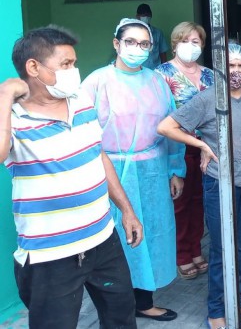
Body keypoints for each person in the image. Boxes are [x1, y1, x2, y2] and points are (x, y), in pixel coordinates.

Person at [1, 26, 144, 329]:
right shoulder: (13, 118)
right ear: (33, 68)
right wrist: (4, 94)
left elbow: (99, 156)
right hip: (51, 256)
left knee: (121, 315)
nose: (74, 71)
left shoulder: (81, 103)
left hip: (103, 239)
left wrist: (126, 210)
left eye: (74, 63)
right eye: (66, 64)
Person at [158, 43, 241, 329]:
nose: (237, 71)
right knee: (222, 248)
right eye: (231, 66)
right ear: (220, 70)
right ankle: (216, 310)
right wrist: (201, 143)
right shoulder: (207, 99)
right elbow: (166, 127)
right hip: (220, 184)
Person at [81, 18, 185, 321]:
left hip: (152, 170)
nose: (137, 49)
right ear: (117, 44)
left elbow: (172, 125)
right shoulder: (96, 82)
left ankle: (143, 301)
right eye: (130, 42)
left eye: (144, 44)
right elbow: (82, 133)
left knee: (151, 234)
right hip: (108, 171)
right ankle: (115, 307)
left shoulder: (156, 82)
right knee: (112, 240)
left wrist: (175, 168)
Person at [155, 22, 214, 280]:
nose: (191, 46)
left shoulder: (211, 75)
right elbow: (159, 118)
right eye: (185, 40)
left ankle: (195, 247)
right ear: (175, 42)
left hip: (206, 148)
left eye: (196, 41)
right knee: (180, 201)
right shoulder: (161, 75)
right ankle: (181, 253)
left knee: (200, 201)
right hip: (177, 147)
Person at [135, 3, 169, 69]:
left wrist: (165, 69)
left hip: (155, 70)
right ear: (137, 16)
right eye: (143, 15)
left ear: (151, 16)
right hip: (139, 71)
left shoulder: (158, 33)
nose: (146, 17)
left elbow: (163, 54)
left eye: (148, 15)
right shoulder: (132, 33)